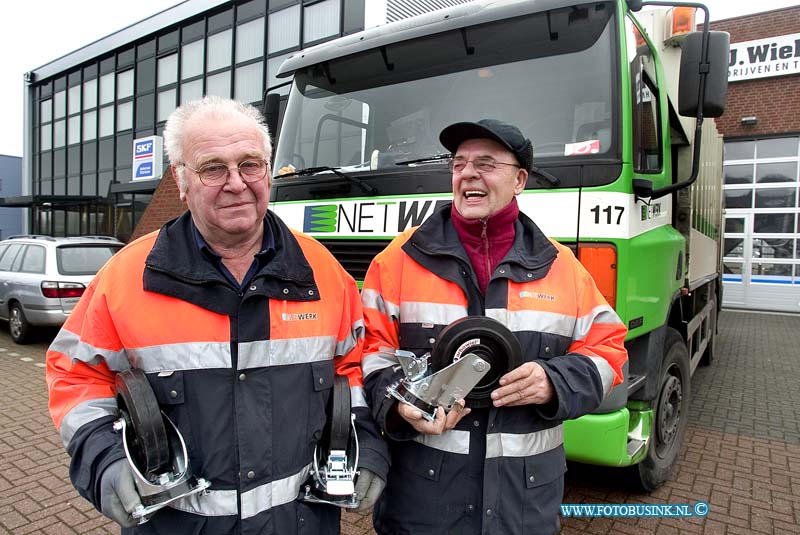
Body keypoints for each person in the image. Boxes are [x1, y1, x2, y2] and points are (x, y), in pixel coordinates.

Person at [46, 96, 388, 534]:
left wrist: (369, 446)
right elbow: (76, 375)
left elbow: (352, 369)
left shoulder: (323, 272)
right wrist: (105, 456)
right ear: (181, 180)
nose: (236, 183)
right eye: (213, 168)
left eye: (250, 164)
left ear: (268, 170)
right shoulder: (126, 277)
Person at [360, 119, 628, 534]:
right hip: (422, 504)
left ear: (520, 179)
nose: (468, 173)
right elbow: (367, 353)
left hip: (523, 508)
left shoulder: (562, 267)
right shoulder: (397, 261)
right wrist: (398, 404)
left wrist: (556, 380)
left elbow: (609, 350)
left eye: (486, 163)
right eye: (459, 163)